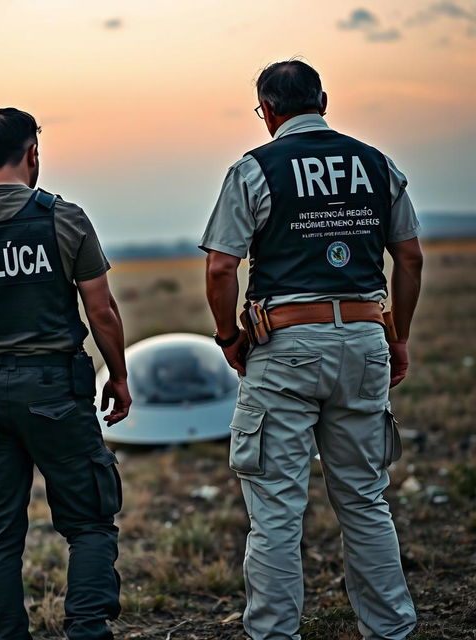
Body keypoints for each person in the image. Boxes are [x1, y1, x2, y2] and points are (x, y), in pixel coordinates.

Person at [201, 60, 422, 640]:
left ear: (268, 111)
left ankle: (275, 634)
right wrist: (396, 337)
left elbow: (223, 264)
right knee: (365, 499)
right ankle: (392, 630)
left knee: (275, 511)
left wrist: (229, 337)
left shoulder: (254, 168)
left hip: (285, 345)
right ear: (322, 99)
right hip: (365, 336)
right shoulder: (378, 164)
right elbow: (412, 257)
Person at [0, 107, 131, 640]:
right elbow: (101, 311)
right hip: (57, 390)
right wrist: (119, 377)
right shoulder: (65, 219)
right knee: (88, 523)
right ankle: (86, 629)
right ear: (33, 153)